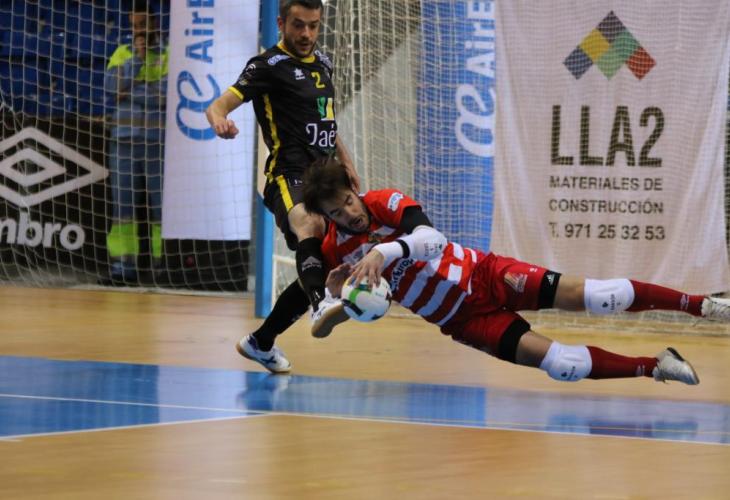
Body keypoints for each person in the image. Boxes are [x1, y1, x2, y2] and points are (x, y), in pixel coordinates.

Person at [236, 156, 730, 382]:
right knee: (564, 365)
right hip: (464, 320)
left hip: (486, 275)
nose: (350, 215)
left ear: (353, 188)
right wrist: (339, 302)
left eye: (348, 201)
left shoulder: (384, 202)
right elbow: (324, 327)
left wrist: (384, 253)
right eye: (338, 213)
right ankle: (655, 366)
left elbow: (431, 239)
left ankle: (703, 305)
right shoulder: (335, 250)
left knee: (602, 296)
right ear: (327, 216)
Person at [205, 0, 360, 345]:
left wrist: (346, 160)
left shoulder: (324, 63)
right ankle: (321, 305)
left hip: (326, 176)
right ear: (281, 23)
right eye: (298, 25)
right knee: (311, 225)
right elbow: (217, 106)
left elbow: (325, 118)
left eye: (313, 26)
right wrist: (219, 121)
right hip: (287, 173)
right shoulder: (266, 65)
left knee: (322, 259)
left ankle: (261, 342)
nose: (306, 34)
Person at [104, 0, 168, 283]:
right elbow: (112, 88)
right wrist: (138, 61)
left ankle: (161, 265)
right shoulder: (122, 53)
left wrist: (130, 91)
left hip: (157, 142)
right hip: (123, 141)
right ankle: (122, 266)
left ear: (154, 23)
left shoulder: (168, 54)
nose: (138, 30)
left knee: (160, 209)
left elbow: (166, 96)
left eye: (143, 24)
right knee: (123, 208)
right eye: (134, 26)